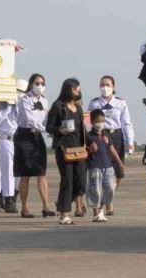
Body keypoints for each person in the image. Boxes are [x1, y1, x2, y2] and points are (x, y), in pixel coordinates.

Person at [87, 75, 134, 215]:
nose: (104, 87)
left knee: (119, 172)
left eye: (107, 85)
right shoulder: (94, 103)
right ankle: (107, 203)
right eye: (102, 85)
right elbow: (88, 122)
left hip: (116, 136)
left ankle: (108, 198)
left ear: (113, 87)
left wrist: (130, 142)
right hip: (99, 136)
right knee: (102, 171)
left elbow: (126, 123)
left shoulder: (121, 103)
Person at [46, 78, 88, 225]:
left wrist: (89, 143)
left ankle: (62, 202)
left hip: (79, 149)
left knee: (81, 181)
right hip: (64, 149)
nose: (78, 91)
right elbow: (49, 127)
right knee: (67, 180)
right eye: (76, 88)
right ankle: (63, 214)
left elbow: (83, 129)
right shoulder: (58, 106)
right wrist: (60, 130)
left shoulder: (79, 108)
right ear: (69, 89)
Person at [14, 73, 56, 219]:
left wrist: (53, 130)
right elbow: (30, 119)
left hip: (38, 137)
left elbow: (45, 120)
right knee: (25, 174)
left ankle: (46, 206)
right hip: (25, 136)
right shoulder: (24, 100)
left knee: (42, 172)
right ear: (31, 85)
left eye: (42, 83)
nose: (40, 86)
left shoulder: (44, 101)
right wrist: (48, 130)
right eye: (37, 83)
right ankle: (25, 208)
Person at [0, 78, 28, 214]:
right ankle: (5, 199)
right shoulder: (3, 106)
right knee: (2, 171)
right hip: (3, 139)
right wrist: (9, 106)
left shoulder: (24, 105)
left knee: (16, 172)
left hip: (17, 140)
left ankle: (12, 197)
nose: (19, 94)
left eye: (22, 92)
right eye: (17, 91)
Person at [85, 109, 124, 223]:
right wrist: (90, 150)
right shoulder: (88, 136)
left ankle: (101, 208)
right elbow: (85, 152)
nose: (100, 124)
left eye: (102, 121)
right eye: (98, 121)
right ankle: (96, 213)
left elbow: (112, 149)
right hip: (95, 167)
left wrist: (120, 163)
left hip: (108, 166)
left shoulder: (106, 134)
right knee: (95, 191)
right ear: (92, 122)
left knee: (110, 189)